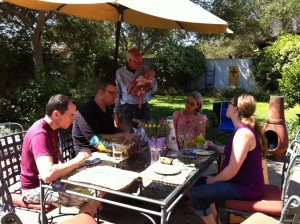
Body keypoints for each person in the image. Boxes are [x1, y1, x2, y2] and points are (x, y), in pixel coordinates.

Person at [20, 94, 103, 217]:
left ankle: (86, 215)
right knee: (93, 194)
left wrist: (71, 169)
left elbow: (56, 153)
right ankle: (85, 217)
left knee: (99, 185)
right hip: (35, 189)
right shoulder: (40, 134)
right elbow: (47, 175)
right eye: (71, 115)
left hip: (49, 183)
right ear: (56, 114)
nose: (73, 119)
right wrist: (77, 160)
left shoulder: (51, 127)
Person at [189, 94, 267, 224]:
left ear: (235, 109)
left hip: (246, 187)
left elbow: (231, 170)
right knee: (197, 182)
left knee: (196, 194)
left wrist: (214, 179)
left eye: (229, 104)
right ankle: (215, 219)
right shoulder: (241, 130)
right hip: (239, 181)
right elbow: (228, 150)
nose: (226, 106)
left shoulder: (243, 134)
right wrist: (213, 146)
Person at [72, 78, 136, 153]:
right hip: (89, 157)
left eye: (116, 93)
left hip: (105, 151)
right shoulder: (86, 111)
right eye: (112, 93)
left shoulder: (107, 107)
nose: (115, 96)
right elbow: (94, 141)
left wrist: (119, 130)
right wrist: (122, 136)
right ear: (101, 92)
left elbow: (107, 133)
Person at [114, 47, 157, 132]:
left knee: (147, 134)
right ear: (129, 61)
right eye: (137, 62)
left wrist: (145, 87)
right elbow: (117, 94)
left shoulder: (145, 69)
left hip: (143, 107)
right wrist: (115, 114)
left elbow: (154, 89)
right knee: (128, 136)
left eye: (141, 62)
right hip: (127, 109)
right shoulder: (120, 73)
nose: (140, 64)